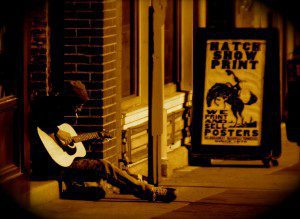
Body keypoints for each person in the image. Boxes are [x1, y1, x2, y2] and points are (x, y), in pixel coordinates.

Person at [31, 80, 177, 203]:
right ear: (67, 101)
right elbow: (37, 119)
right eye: (76, 105)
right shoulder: (44, 108)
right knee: (104, 166)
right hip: (53, 168)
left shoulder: (57, 112)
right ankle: (149, 191)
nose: (79, 109)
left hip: (61, 163)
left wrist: (84, 141)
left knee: (108, 178)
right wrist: (57, 131)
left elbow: (67, 146)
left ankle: (143, 185)